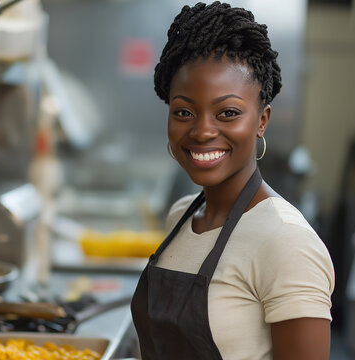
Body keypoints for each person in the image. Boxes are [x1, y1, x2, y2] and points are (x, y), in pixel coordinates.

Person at [130, 2, 335, 359]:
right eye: (184, 111)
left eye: (228, 113)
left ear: (262, 120)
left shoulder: (287, 241)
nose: (202, 130)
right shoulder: (179, 218)